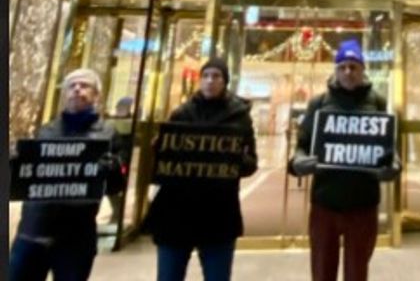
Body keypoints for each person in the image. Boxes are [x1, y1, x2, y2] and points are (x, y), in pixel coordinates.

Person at [288, 39, 401, 281]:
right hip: (325, 203)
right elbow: (302, 145)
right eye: (343, 67)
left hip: (363, 203)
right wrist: (297, 163)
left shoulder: (378, 102)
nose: (348, 72)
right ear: (335, 70)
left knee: (357, 273)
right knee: (321, 272)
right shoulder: (318, 104)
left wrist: (394, 165)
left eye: (354, 66)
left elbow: (389, 148)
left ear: (363, 70)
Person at [145, 58, 258, 281]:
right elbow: (165, 161)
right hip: (176, 212)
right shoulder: (181, 113)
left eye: (216, 76)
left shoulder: (240, 117)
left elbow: (251, 163)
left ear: (225, 81)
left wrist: (234, 159)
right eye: (205, 76)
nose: (210, 81)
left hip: (219, 213)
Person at [9, 68, 125, 281]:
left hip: (75, 237)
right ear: (64, 94)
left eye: (84, 85)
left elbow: (116, 186)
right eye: (72, 86)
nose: (77, 90)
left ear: (96, 95)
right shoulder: (46, 131)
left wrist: (112, 169)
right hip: (33, 231)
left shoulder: (108, 135)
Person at [106, 96, 134, 225]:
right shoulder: (112, 123)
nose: (120, 110)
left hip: (119, 161)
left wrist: (121, 160)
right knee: (111, 189)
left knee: (114, 188)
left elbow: (125, 146)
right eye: (119, 108)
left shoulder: (129, 124)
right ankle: (116, 213)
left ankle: (117, 213)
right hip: (113, 161)